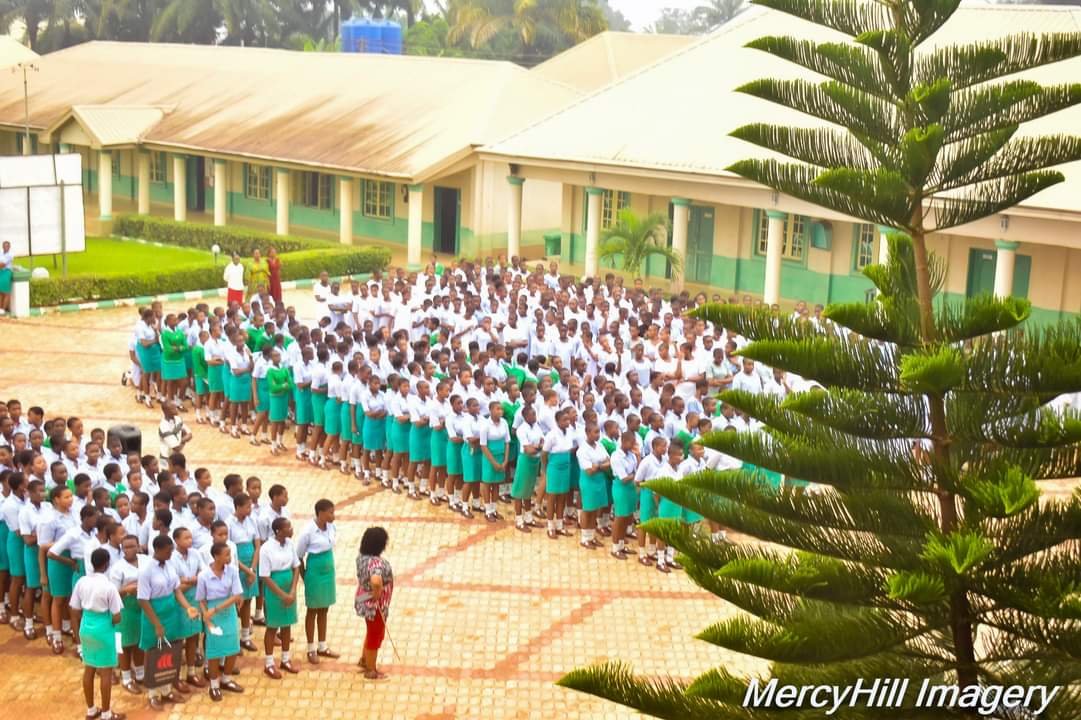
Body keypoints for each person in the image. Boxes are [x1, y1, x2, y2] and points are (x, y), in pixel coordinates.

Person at [138, 534, 200, 710]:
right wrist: (156, 624)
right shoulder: (146, 570)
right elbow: (143, 600)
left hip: (171, 612)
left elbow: (176, 590)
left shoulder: (169, 565)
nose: (170, 554)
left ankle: (166, 690)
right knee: (153, 653)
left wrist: (188, 607)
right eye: (168, 551)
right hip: (154, 614)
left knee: (169, 651)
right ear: (157, 550)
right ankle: (152, 693)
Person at [70, 547, 126, 720]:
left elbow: (74, 609)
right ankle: (107, 714)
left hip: (86, 627)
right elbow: (117, 617)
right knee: (106, 673)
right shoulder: (109, 587)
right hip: (104, 629)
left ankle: (91, 710)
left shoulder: (81, 582)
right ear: (107, 564)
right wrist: (106, 624)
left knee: (89, 669)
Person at [196, 541, 245, 702]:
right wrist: (206, 616)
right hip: (212, 614)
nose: (230, 557)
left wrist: (216, 609)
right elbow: (201, 599)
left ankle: (226, 679)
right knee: (214, 650)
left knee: (232, 647)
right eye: (227, 554)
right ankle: (214, 685)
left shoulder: (233, 571)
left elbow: (236, 595)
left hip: (227, 611)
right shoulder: (204, 575)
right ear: (216, 556)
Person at [297, 499, 339, 664]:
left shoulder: (331, 527)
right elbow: (299, 556)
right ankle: (310, 648)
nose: (333, 515)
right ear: (321, 513)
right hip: (314, 572)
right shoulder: (307, 531)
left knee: (324, 609)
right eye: (330, 512)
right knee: (312, 610)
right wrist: (305, 577)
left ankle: (322, 646)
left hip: (328, 572)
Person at [259, 516, 300, 679]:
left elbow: (296, 567)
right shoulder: (266, 549)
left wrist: (292, 591)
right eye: (288, 527)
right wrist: (283, 595)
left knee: (287, 624)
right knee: (272, 626)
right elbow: (265, 577)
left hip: (289, 589)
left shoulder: (290, 544)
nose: (291, 529)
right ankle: (269, 663)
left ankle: (285, 659)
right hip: (275, 591)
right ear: (278, 531)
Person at [354, 526, 393, 680]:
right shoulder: (376, 563)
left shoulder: (362, 558)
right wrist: (377, 594)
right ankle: (371, 670)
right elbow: (376, 581)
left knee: (371, 631)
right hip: (375, 605)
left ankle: (364, 660)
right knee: (375, 635)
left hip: (364, 600)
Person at [0, 239, 13, 316]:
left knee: (6, 291)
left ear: (9, 247)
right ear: (2, 246)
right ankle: (0, 309)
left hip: (6, 272)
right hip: (1, 272)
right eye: (4, 246)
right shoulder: (1, 253)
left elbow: (2, 265)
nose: (5, 247)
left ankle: (3, 309)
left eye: (7, 246)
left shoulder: (10, 255)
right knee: (0, 291)